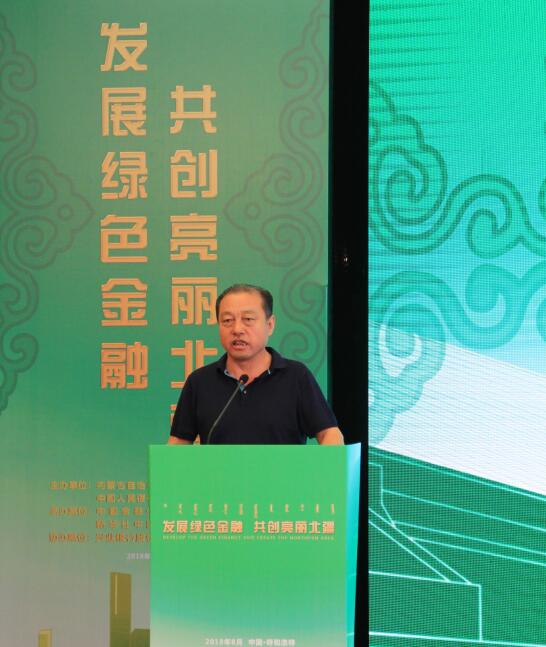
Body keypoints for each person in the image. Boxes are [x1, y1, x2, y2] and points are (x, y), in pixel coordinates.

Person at [168, 283, 344, 445]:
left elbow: (329, 433)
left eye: (248, 319)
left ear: (270, 325)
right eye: (227, 320)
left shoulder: (296, 376)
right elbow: (178, 443)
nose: (237, 329)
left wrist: (329, 466)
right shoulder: (199, 382)